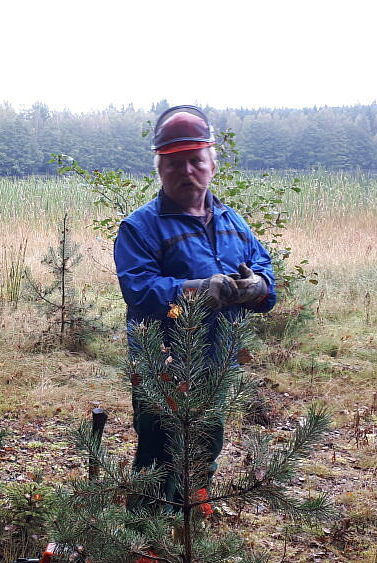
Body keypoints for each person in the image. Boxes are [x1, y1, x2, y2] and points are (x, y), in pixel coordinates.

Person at [113, 105, 277, 512]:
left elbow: (265, 278)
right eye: (174, 163)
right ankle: (145, 532)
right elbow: (139, 291)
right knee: (159, 445)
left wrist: (258, 285)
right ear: (159, 170)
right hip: (163, 362)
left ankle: (194, 499)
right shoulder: (140, 227)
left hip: (220, 359)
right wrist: (202, 290)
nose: (186, 171)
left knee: (209, 433)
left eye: (195, 160)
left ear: (211, 165)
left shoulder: (233, 221)